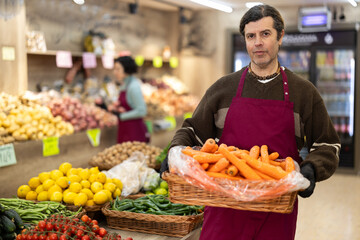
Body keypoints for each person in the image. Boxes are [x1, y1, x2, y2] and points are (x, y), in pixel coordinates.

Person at [160, 4, 340, 240]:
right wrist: (175, 151)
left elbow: (327, 144)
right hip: (224, 205)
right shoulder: (223, 88)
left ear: (280, 37)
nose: (258, 43)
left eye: (265, 34)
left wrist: (311, 168)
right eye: (251, 36)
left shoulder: (303, 92)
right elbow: (193, 130)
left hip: (276, 206)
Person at [106, 55, 149, 143]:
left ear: (127, 69)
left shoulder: (134, 86)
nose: (115, 72)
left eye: (118, 69)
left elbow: (142, 111)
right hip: (125, 129)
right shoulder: (125, 84)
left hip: (134, 131)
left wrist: (120, 116)